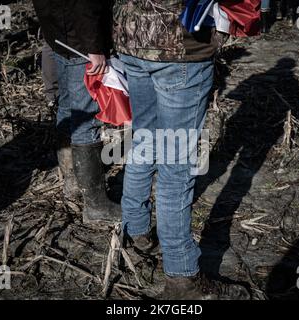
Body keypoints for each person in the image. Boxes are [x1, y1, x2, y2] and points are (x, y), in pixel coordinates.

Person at [114, 0, 228, 299]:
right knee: (175, 166)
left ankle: (135, 231)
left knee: (145, 140)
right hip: (178, 49)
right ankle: (181, 277)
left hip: (132, 41)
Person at [31, 0, 120, 223]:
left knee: (68, 107)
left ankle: (71, 181)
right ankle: (95, 205)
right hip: (80, 42)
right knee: (85, 119)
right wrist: (94, 47)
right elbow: (84, 4)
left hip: (60, 36)